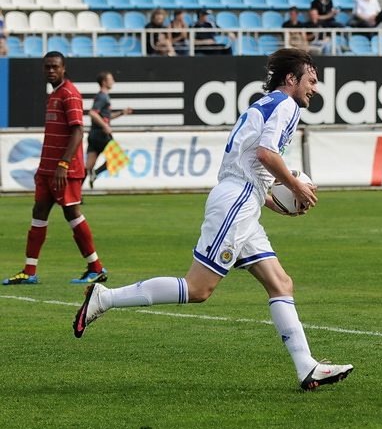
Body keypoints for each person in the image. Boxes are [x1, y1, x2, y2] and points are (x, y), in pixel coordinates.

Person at [73, 48, 354, 392]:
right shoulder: (285, 105)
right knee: (198, 289)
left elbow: (250, 164)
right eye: (311, 80)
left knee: (281, 283)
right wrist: (295, 186)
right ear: (291, 79)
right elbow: (266, 154)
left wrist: (270, 200)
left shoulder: (265, 104)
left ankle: (307, 367)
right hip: (237, 201)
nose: (315, 88)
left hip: (243, 199)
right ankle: (105, 298)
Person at [2, 52, 108, 286]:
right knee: (39, 212)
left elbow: (78, 131)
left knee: (72, 213)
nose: (51, 70)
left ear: (63, 68)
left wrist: (63, 163)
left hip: (64, 170)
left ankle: (96, 267)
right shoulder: (54, 94)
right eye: (47, 67)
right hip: (47, 169)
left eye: (55, 67)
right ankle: (29, 271)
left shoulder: (69, 93)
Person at [85, 71, 133, 189]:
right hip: (101, 135)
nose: (113, 81)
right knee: (117, 158)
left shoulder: (102, 96)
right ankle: (95, 173)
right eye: (111, 79)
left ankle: (75, 194)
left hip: (93, 134)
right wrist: (105, 126)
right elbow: (92, 113)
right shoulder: (102, 96)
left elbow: (105, 116)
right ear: (104, 82)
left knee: (88, 167)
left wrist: (122, 113)